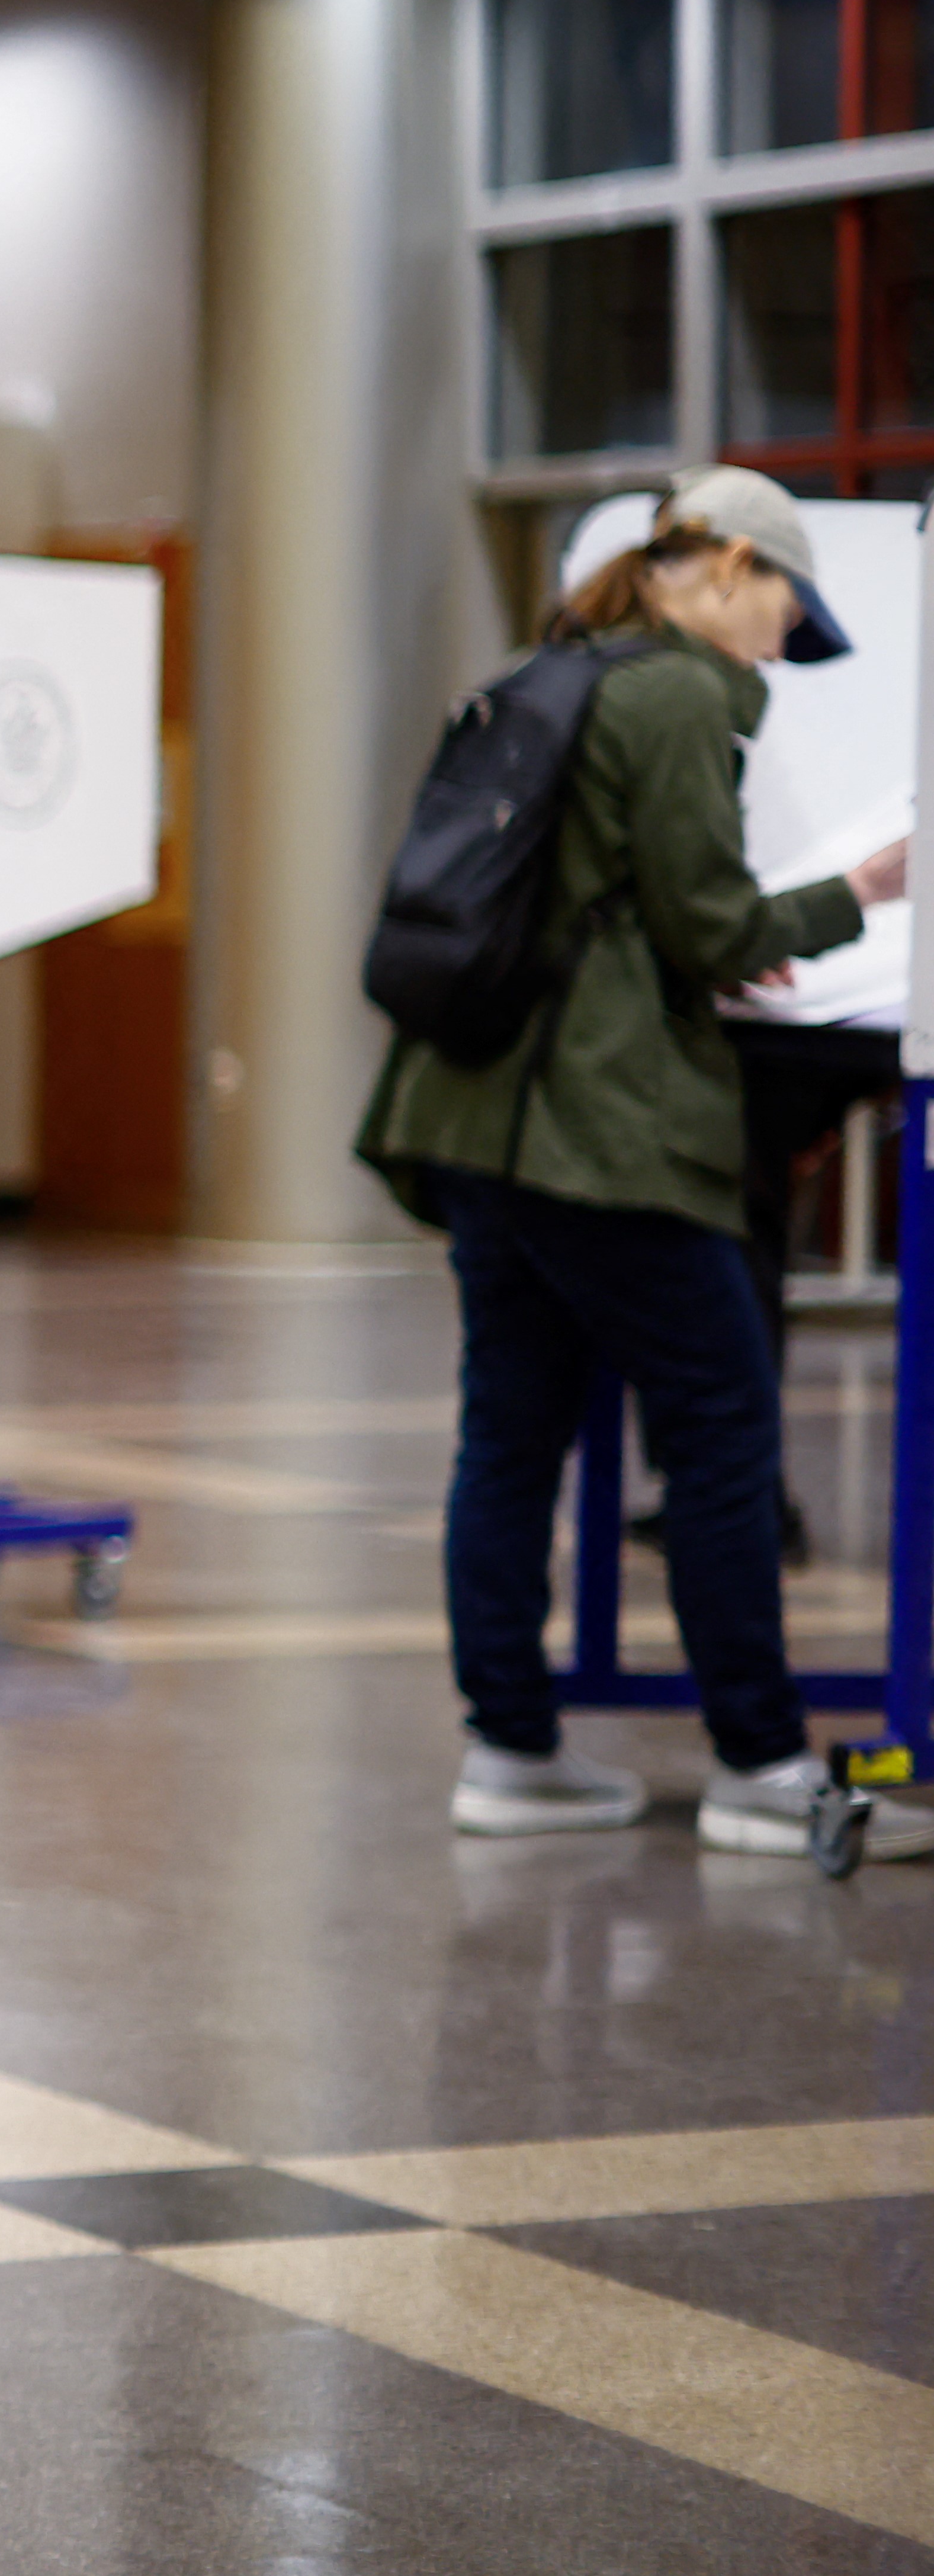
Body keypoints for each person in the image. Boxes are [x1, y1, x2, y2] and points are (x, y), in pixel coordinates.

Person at [361, 465, 926, 1857]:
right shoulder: (674, 693)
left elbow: (629, 909)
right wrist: (856, 893)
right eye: (786, 609)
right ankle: (756, 1763)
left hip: (475, 1115)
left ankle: (507, 1748)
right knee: (723, 1423)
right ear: (730, 566)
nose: (784, 644)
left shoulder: (558, 669)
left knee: (510, 1431)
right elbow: (706, 925)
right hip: (599, 1128)